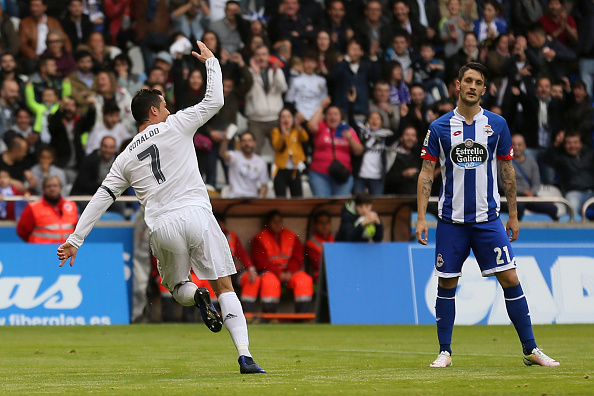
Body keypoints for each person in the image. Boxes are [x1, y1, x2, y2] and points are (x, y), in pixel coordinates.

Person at [56, 41, 266, 374]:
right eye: (164, 104)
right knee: (225, 285)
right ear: (153, 111)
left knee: (178, 287)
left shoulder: (124, 157)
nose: (168, 108)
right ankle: (245, 355)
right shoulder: (176, 125)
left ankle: (197, 295)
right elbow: (216, 99)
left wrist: (75, 240)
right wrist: (211, 63)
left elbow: (101, 197)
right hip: (198, 215)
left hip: (163, 226)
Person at [415, 62, 560, 368]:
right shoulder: (439, 127)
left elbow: (507, 171)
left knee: (510, 277)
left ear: (483, 89)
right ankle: (445, 352)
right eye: (467, 80)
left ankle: (531, 349)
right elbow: (427, 172)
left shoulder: (497, 125)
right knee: (447, 284)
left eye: (477, 82)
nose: (471, 85)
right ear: (458, 85)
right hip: (451, 222)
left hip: (488, 220)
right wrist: (420, 217)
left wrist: (514, 215)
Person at [251, 210, 314, 313]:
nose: (278, 224)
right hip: (270, 272)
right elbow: (260, 262)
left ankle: (302, 317)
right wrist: (279, 273)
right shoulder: (260, 238)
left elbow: (298, 257)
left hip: (290, 272)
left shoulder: (291, 236)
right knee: (270, 282)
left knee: (304, 280)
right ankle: (270, 317)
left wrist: (289, 272)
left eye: (280, 221)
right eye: (274, 222)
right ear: (268, 223)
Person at [503, 134, 558, 221]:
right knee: (518, 208)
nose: (516, 147)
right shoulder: (503, 162)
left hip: (529, 196)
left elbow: (536, 183)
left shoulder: (531, 162)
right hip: (511, 197)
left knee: (552, 208)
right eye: (514, 144)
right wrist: (523, 191)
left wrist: (531, 192)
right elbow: (503, 184)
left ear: (524, 146)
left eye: (519, 144)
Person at [17, 175, 78, 243]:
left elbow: (77, 229)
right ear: (43, 189)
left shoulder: (71, 205)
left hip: (66, 250)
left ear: (60, 188)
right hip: (41, 250)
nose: (52, 188)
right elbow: (22, 231)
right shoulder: (33, 207)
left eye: (55, 186)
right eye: (48, 186)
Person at [270, 108, 309, 198]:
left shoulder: (296, 131)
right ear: (279, 120)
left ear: (293, 119)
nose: (286, 119)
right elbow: (277, 146)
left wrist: (299, 128)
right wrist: (284, 134)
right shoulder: (276, 131)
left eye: (288, 116)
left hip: (295, 169)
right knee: (280, 198)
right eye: (283, 117)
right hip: (281, 169)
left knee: (297, 198)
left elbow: (305, 138)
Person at [219, 131, 269, 198]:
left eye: (249, 140)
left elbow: (264, 185)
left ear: (255, 143)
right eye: (244, 141)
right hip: (234, 197)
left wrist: (260, 199)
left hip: (253, 198)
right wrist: (225, 141)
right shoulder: (234, 156)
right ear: (240, 144)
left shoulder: (261, 162)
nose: (247, 143)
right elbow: (222, 154)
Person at [305, 210, 334, 283]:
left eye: (327, 222)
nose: (325, 226)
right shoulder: (311, 243)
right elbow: (318, 264)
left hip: (336, 273)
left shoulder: (336, 237)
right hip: (321, 277)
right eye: (321, 223)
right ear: (315, 226)